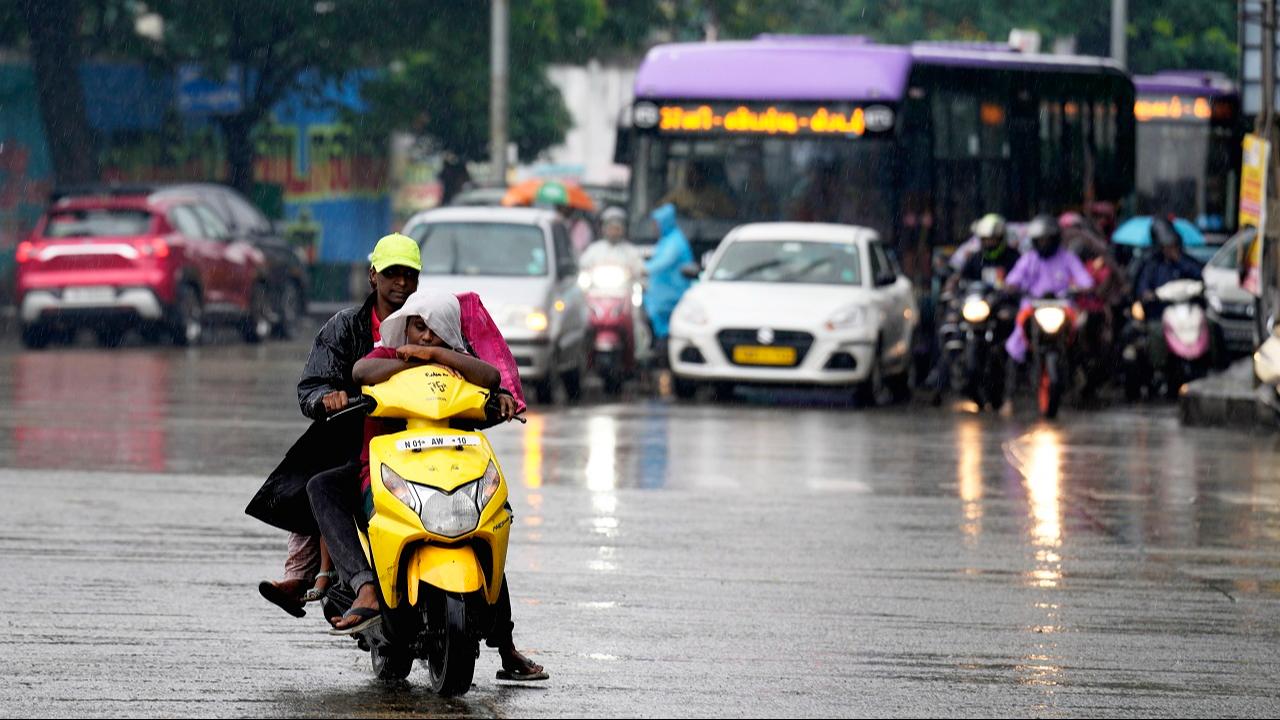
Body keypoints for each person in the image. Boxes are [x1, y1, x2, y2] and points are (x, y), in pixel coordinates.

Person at [247, 234, 524, 617]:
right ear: (372, 276)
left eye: (410, 275)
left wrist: (488, 390)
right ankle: (344, 584)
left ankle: (505, 640)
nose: (402, 284)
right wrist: (330, 397)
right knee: (320, 484)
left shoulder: (439, 325)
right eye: (392, 274)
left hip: (447, 455)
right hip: (365, 447)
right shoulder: (357, 330)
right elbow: (332, 380)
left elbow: (486, 378)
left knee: (490, 514)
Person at [308, 290, 547, 680]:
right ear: (406, 325)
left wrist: (438, 356)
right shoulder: (388, 354)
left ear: (450, 332)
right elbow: (360, 374)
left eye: (437, 330)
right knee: (321, 487)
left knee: (490, 525)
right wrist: (408, 360)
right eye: (419, 326)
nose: (426, 336)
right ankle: (365, 586)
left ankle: (506, 648)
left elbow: (490, 377)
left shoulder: (459, 365)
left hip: (454, 475)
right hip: (387, 474)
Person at [1003, 214, 1095, 365]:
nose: (1043, 243)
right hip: (1033, 305)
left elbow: (1084, 279)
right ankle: (1018, 363)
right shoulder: (1029, 258)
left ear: (1055, 239)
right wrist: (1011, 287)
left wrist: (1084, 288)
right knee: (1019, 330)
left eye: (1047, 239)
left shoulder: (1067, 257)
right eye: (1040, 240)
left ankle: (1079, 361)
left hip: (1062, 305)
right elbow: (1013, 279)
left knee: (1080, 327)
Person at [644, 203, 694, 367]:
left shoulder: (674, 242)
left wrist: (641, 268)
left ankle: (664, 362)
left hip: (671, 297)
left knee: (666, 333)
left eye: (656, 223)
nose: (654, 227)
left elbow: (662, 263)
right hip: (660, 296)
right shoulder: (666, 240)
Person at [945, 213, 1019, 293]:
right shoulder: (976, 257)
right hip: (978, 301)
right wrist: (952, 284)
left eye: (992, 239)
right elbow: (962, 274)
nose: (988, 243)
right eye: (985, 240)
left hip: (1006, 301)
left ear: (1000, 238)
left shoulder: (1013, 258)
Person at [579, 206, 645, 278]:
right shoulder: (594, 249)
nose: (614, 232)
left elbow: (640, 268)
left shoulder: (630, 250)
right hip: (598, 287)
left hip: (624, 288)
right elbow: (583, 264)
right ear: (604, 229)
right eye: (610, 228)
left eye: (617, 229)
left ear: (623, 230)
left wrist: (632, 271)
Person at [659, 160, 736, 220]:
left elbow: (732, 213)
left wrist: (711, 212)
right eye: (688, 173)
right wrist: (681, 211)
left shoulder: (715, 194)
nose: (689, 176)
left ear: (701, 175)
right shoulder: (678, 194)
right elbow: (659, 209)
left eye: (693, 173)